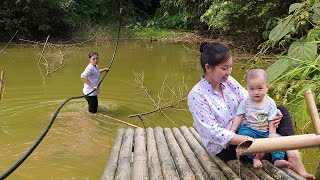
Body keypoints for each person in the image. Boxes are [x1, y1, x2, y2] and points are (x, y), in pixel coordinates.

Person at [187, 42, 315, 179]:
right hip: (229, 145)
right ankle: (271, 152)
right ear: (208, 67)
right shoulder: (197, 95)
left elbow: (250, 98)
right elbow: (213, 133)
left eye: (230, 67)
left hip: (249, 127)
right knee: (261, 141)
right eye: (224, 68)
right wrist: (249, 140)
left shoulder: (227, 81)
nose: (229, 72)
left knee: (281, 110)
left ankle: (294, 158)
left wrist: (271, 109)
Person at [230, 68, 289, 169]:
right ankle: (254, 158)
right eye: (251, 89)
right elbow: (239, 116)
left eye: (260, 88)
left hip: (264, 131)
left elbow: (271, 119)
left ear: (267, 87)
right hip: (249, 129)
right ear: (247, 88)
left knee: (278, 139)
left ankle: (277, 159)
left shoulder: (270, 103)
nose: (255, 92)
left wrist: (272, 133)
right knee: (243, 138)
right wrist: (233, 130)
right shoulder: (245, 102)